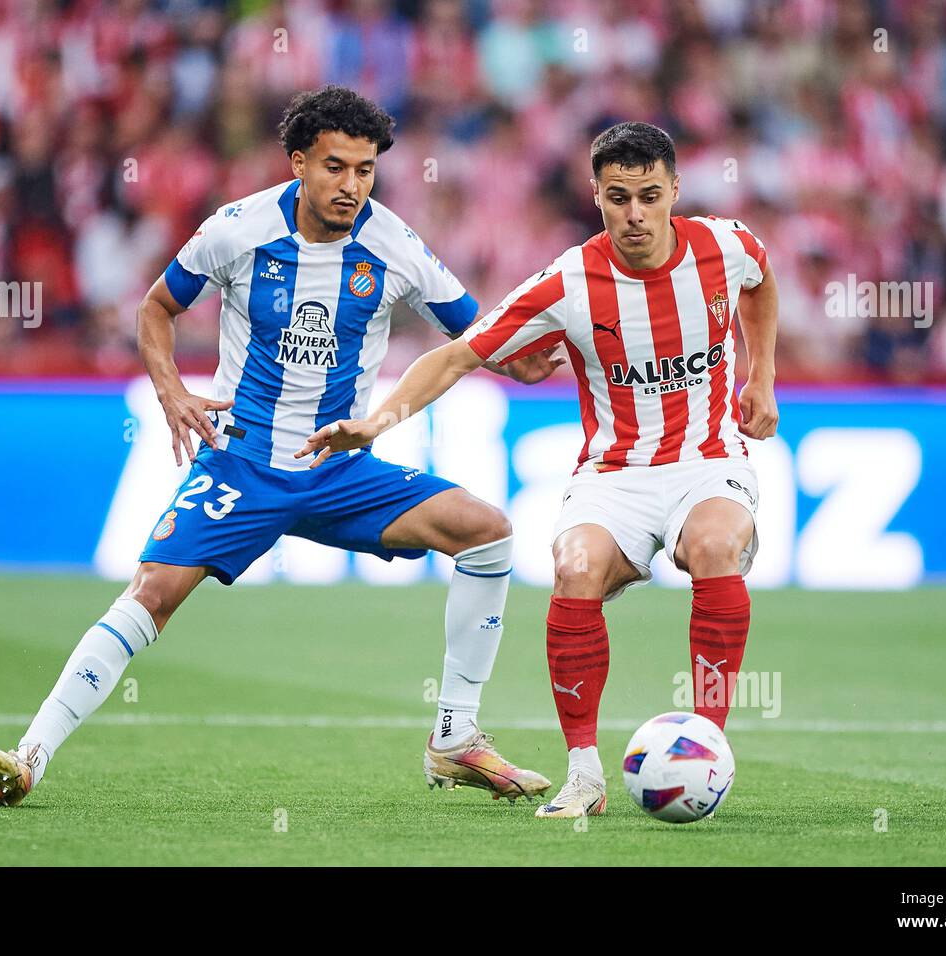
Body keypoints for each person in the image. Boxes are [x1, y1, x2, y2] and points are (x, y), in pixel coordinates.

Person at [0, 86, 564, 808]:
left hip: (339, 467)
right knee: (154, 593)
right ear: (298, 163)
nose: (352, 186)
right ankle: (30, 753)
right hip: (243, 464)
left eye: (366, 170)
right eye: (336, 167)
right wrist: (172, 392)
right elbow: (157, 307)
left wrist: (521, 357)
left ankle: (453, 737)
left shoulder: (395, 245)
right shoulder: (237, 229)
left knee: (488, 534)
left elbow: (476, 330)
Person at [298, 122, 780, 819]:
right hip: (614, 474)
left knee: (709, 548)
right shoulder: (571, 280)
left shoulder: (724, 245)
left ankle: (705, 745)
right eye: (619, 198)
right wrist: (378, 421)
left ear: (675, 190)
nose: (635, 214)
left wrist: (761, 376)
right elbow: (458, 355)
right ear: (597, 196)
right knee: (575, 567)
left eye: (650, 196)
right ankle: (585, 775)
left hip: (709, 458)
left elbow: (761, 281)